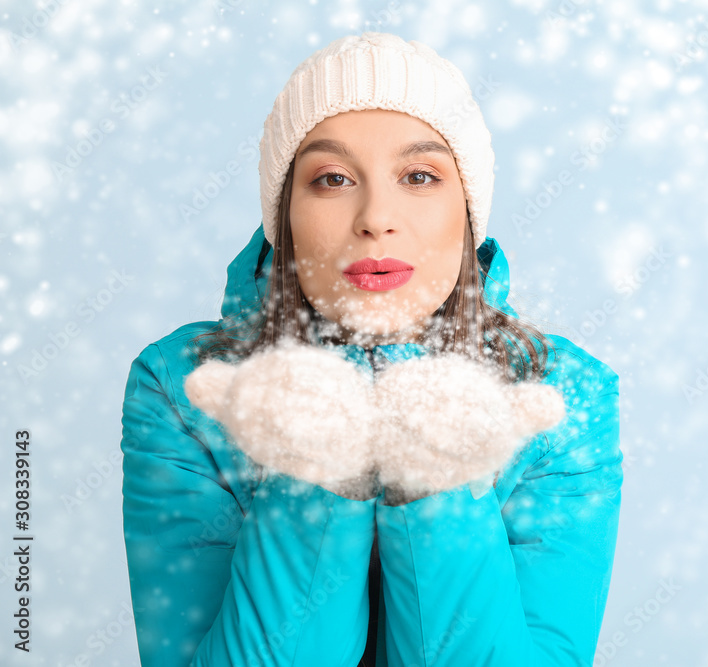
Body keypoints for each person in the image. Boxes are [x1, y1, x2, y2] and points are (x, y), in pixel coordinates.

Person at [119, 31, 622, 667]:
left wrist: (439, 485)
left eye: (420, 175)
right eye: (331, 178)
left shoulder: (563, 397)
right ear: (287, 218)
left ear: (467, 210)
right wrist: (317, 474)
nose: (375, 216)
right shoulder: (186, 387)